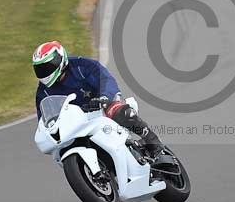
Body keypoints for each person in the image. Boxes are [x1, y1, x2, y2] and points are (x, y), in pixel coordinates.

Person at [32, 40, 165, 157]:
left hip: (101, 106)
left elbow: (105, 78)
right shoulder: (43, 93)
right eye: (40, 69)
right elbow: (44, 121)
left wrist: (104, 97)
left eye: (46, 67)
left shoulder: (82, 66)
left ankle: (152, 141)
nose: (44, 72)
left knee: (117, 110)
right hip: (76, 124)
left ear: (59, 60)